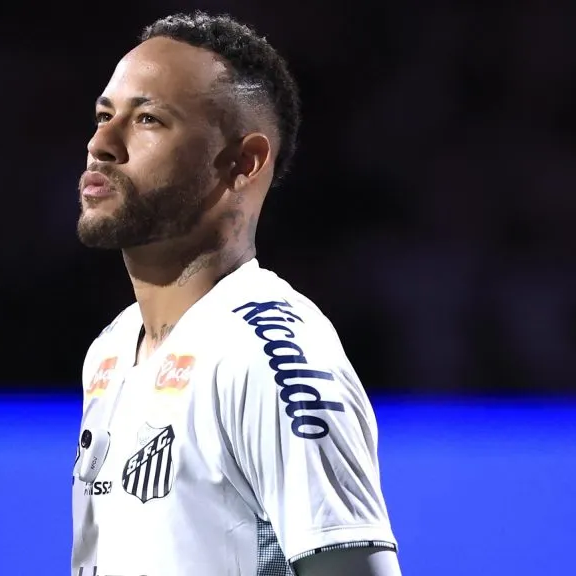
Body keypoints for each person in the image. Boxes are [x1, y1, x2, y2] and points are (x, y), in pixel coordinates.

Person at [72, 11, 401, 576]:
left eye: (147, 119)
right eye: (105, 115)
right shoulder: (111, 349)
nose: (101, 144)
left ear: (243, 163)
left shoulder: (269, 356)